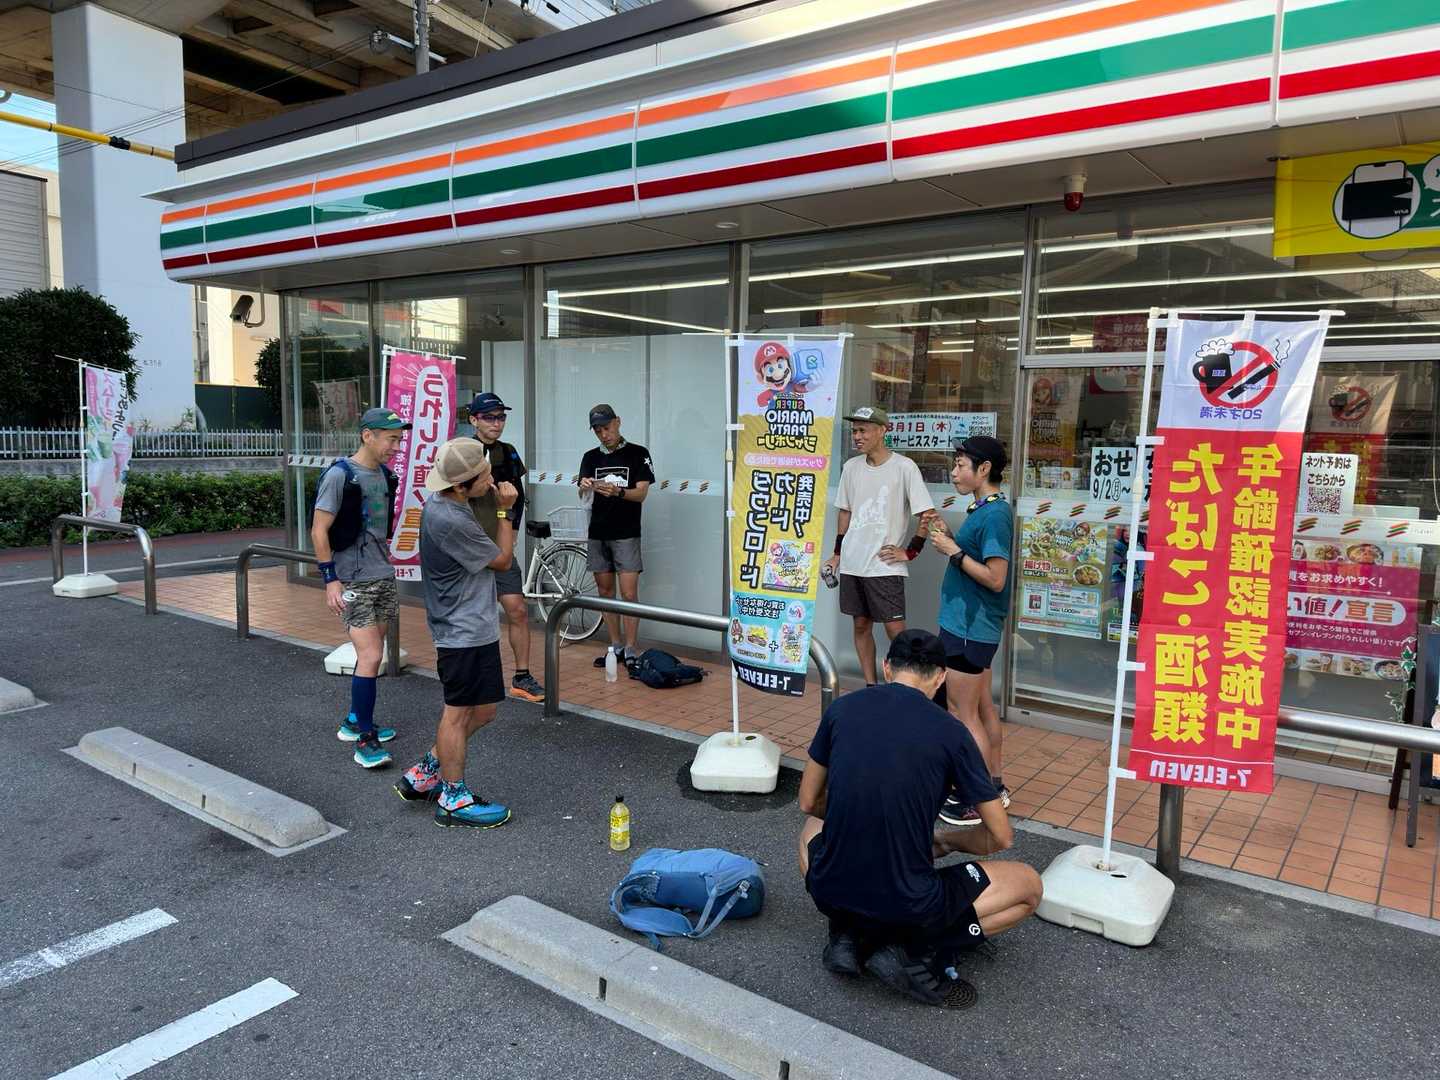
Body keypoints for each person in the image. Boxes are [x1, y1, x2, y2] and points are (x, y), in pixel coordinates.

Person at [797, 630, 1041, 1005]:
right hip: (910, 904)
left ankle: (847, 933)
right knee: (1028, 886)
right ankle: (910, 948)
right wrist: (946, 840)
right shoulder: (952, 733)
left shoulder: (842, 709)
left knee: (812, 826)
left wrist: (856, 819)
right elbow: (1000, 835)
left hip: (831, 890)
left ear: (886, 667)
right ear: (941, 677)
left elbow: (808, 800)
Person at [394, 439, 519, 828]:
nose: (491, 480)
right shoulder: (450, 517)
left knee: (484, 710)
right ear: (462, 485)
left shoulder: (449, 503)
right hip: (461, 630)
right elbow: (503, 560)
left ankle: (426, 772)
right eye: (484, 475)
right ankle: (453, 798)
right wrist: (505, 510)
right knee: (457, 713)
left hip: (472, 626)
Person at [310, 406, 410, 770]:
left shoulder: (385, 475)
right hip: (352, 578)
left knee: (374, 652)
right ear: (368, 435)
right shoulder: (340, 475)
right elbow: (319, 530)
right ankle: (365, 739)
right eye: (390, 440)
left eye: (399, 440)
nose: (395, 447)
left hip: (381, 573)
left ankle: (355, 721)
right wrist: (330, 579)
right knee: (369, 656)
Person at [926, 436, 1014, 827]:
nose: (954, 472)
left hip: (968, 626)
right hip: (972, 626)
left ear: (984, 469)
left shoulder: (995, 515)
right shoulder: (986, 508)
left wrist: (953, 551)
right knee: (980, 708)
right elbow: (974, 556)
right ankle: (993, 786)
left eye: (961, 465)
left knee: (963, 714)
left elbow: (996, 578)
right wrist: (950, 537)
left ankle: (973, 800)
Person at [822, 405, 936, 686]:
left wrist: (910, 551)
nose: (856, 436)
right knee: (861, 625)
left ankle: (905, 687)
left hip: (884, 566)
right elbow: (845, 512)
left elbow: (927, 514)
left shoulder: (904, 467)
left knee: (896, 630)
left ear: (882, 431)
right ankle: (871, 686)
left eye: (863, 430)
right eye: (854, 431)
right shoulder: (851, 467)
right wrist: (837, 555)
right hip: (853, 563)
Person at [466, 391, 544, 703]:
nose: (496, 423)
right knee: (474, 615)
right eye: (489, 417)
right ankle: (472, 675)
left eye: (501, 417)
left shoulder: (508, 452)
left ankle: (522, 676)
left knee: (518, 610)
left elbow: (518, 498)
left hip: (500, 546)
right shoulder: (463, 453)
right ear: (473, 420)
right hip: (470, 550)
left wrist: (510, 532)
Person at [577, 404, 654, 669]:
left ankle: (631, 647)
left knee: (629, 594)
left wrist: (618, 492)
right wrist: (584, 486)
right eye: (598, 430)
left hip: (626, 532)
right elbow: (582, 493)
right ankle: (615, 645)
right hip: (598, 532)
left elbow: (641, 493)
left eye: (607, 428)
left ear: (618, 422)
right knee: (605, 592)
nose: (604, 434)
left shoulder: (638, 453)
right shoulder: (590, 457)